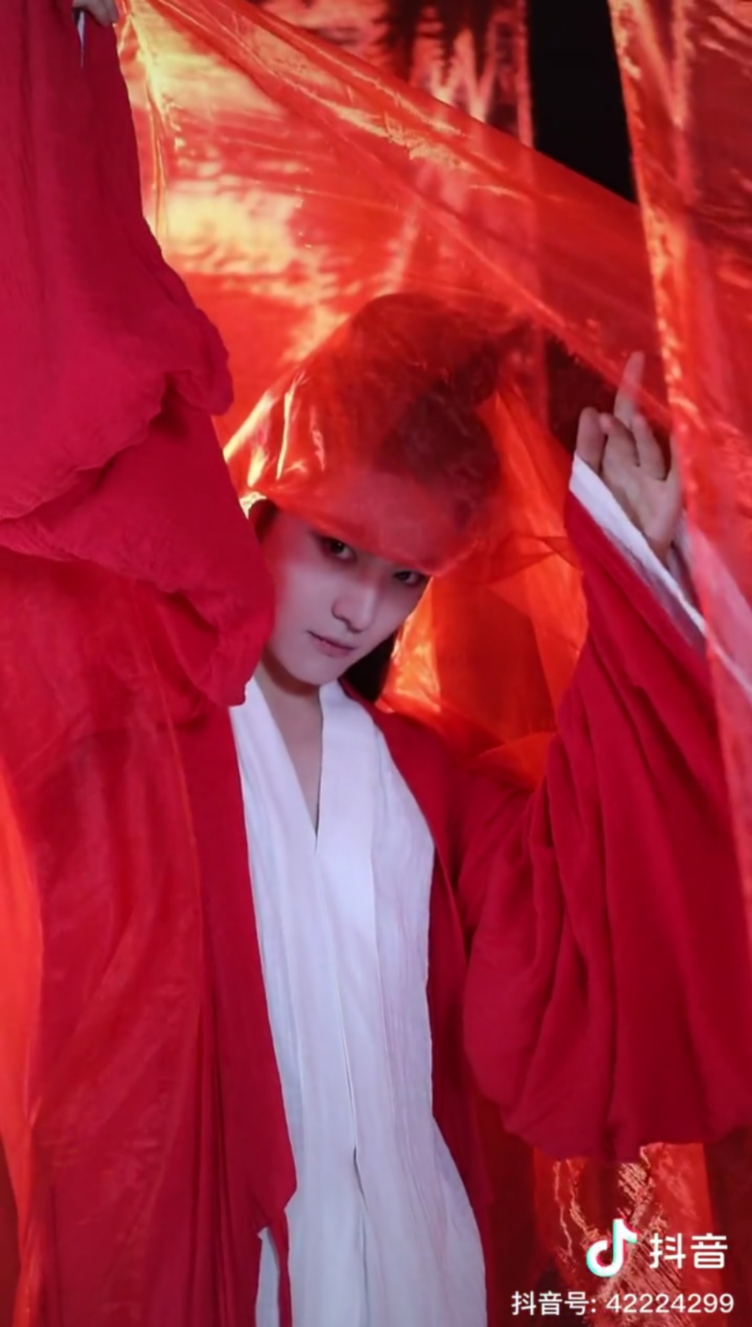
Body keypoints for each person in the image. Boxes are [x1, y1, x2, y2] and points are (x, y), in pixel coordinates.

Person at [0, 5, 751, 1327]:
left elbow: (584, 970)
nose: (363, 607)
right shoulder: (143, 713)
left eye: (405, 576)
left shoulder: (426, 777)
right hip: (214, 1272)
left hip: (422, 1266)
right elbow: (58, 401)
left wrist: (641, 569)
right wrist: (54, 67)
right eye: (337, 549)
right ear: (262, 511)